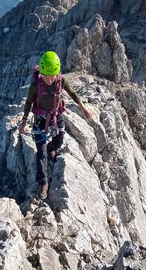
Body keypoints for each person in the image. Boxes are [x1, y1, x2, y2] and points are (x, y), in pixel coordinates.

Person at [18, 51, 92, 199]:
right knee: (41, 153)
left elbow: (72, 93)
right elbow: (28, 103)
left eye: (52, 76)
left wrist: (83, 107)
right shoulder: (35, 85)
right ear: (42, 73)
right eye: (47, 76)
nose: (50, 79)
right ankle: (43, 183)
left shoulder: (61, 81)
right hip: (40, 119)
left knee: (59, 141)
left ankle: (51, 150)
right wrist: (24, 121)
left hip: (56, 116)